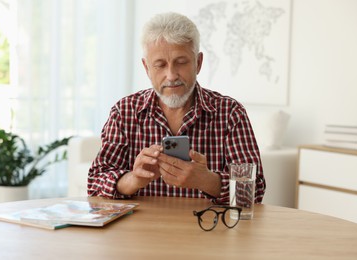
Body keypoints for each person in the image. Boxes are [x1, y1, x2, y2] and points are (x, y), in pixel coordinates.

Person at [87, 12, 265, 204]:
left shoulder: (230, 113)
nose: (171, 75)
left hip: (209, 230)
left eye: (181, 63)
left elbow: (254, 192)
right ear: (147, 68)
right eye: (160, 65)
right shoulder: (125, 112)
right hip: (140, 231)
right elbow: (95, 183)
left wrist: (207, 181)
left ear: (198, 63)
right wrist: (134, 179)